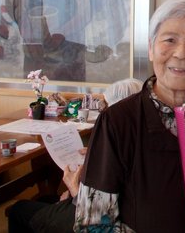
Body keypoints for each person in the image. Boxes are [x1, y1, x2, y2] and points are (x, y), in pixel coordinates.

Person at [74, 0, 185, 232]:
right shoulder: (117, 121)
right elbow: (92, 225)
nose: (181, 53)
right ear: (151, 49)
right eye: (170, 40)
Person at [7, 78, 142, 233]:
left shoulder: (118, 138)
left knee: (18, 209)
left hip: (101, 219)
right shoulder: (138, 138)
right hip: (97, 208)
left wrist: (75, 191)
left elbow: (102, 217)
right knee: (46, 199)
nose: (104, 111)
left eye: (107, 106)